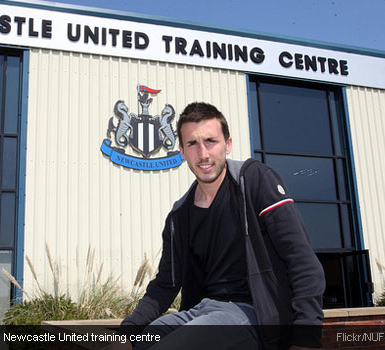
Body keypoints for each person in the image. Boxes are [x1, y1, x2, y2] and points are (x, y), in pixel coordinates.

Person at [115, 102, 325, 350]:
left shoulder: (255, 182)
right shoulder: (179, 215)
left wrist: (306, 339)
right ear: (182, 151)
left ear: (228, 144)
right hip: (202, 311)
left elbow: (302, 261)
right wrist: (126, 335)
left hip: (253, 314)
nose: (203, 154)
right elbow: (165, 284)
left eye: (211, 141)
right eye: (192, 144)